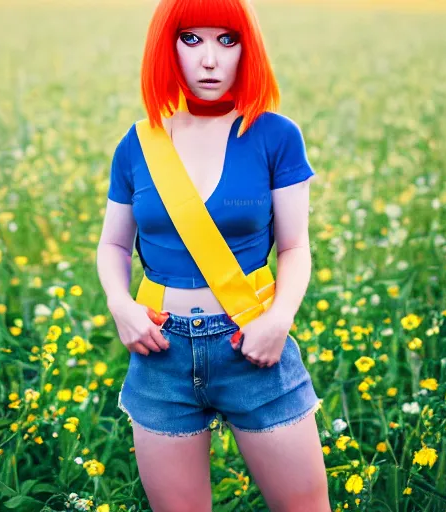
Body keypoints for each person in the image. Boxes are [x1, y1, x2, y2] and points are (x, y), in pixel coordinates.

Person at [97, 0, 331, 510]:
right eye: (191, 39)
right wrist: (121, 306)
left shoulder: (276, 135)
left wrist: (279, 320)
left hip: (253, 343)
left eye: (227, 40)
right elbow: (113, 244)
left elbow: (295, 246)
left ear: (248, 49)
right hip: (160, 353)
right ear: (167, 48)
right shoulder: (137, 144)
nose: (209, 60)